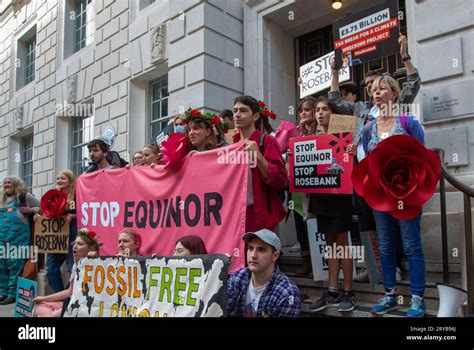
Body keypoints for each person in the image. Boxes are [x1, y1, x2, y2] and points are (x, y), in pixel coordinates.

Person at [360, 75, 426, 317]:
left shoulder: (409, 122)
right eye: (374, 90)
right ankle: (390, 295)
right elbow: (368, 161)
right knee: (386, 246)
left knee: (411, 246)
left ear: (395, 94)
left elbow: (422, 159)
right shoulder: (368, 128)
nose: (377, 93)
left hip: (407, 196)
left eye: (383, 89)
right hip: (381, 197)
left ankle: (418, 299)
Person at [307, 96, 356, 313]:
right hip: (321, 197)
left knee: (342, 242)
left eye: (324, 109)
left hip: (340, 196)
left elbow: (351, 166)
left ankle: (348, 291)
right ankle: (332, 289)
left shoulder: (344, 138)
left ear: (332, 113)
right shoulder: (309, 139)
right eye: (317, 109)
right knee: (329, 244)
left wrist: (353, 154)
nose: (319, 113)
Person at [232, 96, 287, 232]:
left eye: (243, 111)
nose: (237, 115)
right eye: (235, 111)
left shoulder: (267, 141)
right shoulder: (232, 146)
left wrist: (258, 156)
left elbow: (280, 179)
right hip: (237, 216)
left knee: (259, 252)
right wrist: (197, 158)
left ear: (256, 116)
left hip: (259, 213)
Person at [227, 229, 301, 317]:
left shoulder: (287, 292)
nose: (253, 255)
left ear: (275, 256)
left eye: (261, 250)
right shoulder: (238, 278)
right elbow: (219, 310)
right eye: (250, 248)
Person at [33, 229, 101, 317]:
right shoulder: (76, 265)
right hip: (70, 302)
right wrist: (43, 298)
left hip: (83, 308)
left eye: (80, 244)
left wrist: (95, 259)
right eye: (74, 243)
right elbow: (69, 291)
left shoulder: (96, 265)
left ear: (90, 249)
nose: (75, 246)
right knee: (38, 307)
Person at [34, 170, 77, 293]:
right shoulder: (52, 195)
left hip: (72, 234)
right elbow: (46, 212)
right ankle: (61, 296)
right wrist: (39, 217)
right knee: (51, 269)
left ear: (70, 180)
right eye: (57, 178)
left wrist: (73, 217)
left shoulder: (77, 195)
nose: (59, 181)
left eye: (62, 178)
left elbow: (86, 213)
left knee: (71, 268)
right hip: (56, 238)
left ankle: (71, 296)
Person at [0, 176, 39, 305]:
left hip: (18, 241)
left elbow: (41, 206)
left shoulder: (24, 196)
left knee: (15, 266)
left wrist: (31, 210)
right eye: (5, 183)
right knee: (2, 267)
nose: (6, 185)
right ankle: (3, 292)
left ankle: (12, 293)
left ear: (16, 184)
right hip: (2, 241)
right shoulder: (2, 199)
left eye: (9, 182)